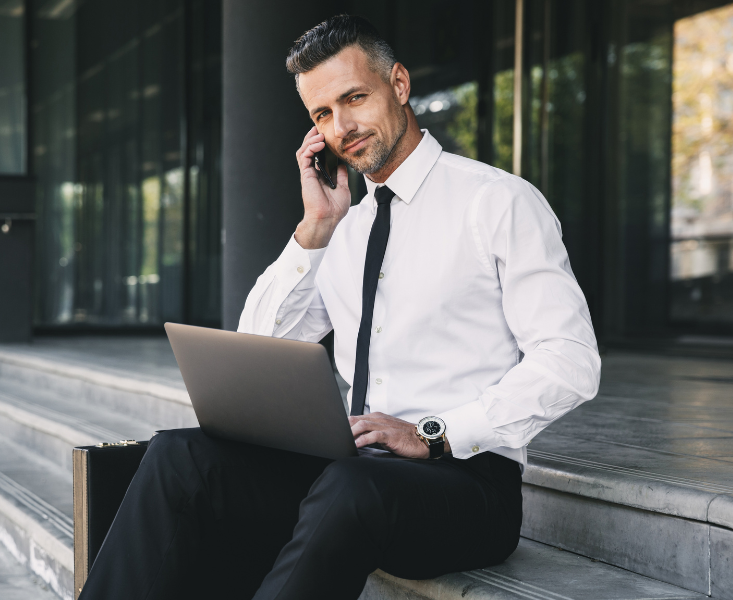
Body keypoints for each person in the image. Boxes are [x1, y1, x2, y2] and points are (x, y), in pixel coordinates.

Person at [79, 14, 601, 600]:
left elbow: (571, 361)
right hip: (349, 468)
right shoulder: (341, 224)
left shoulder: (497, 202)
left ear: (398, 85)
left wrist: (435, 433)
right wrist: (315, 229)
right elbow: (260, 346)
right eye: (322, 114)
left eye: (355, 98)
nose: (342, 126)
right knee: (179, 455)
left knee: (352, 488)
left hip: (465, 485)